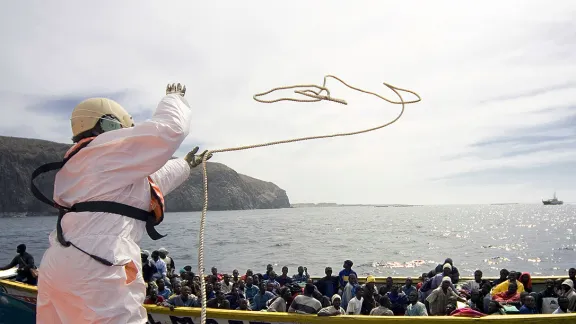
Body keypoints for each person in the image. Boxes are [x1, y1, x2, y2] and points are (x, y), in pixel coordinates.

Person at [35, 83, 212, 324]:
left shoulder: (81, 164)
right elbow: (170, 129)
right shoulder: (106, 150)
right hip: (100, 263)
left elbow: (145, 184)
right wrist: (174, 99)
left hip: (58, 264)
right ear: (110, 123)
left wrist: (184, 165)